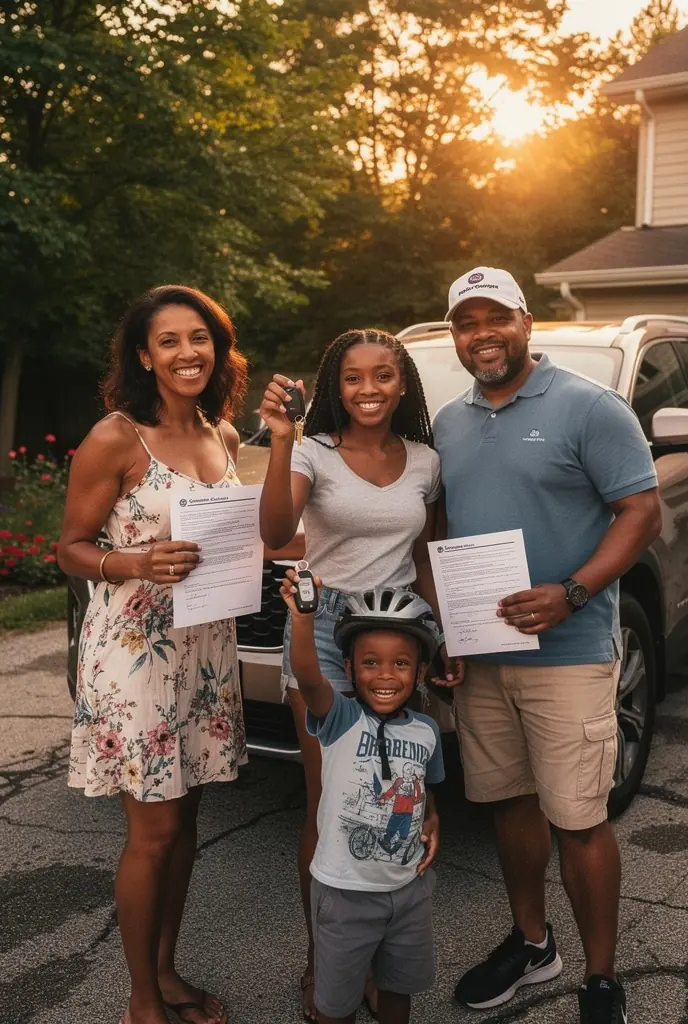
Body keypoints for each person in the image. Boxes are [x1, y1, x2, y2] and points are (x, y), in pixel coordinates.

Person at [60, 285, 299, 1024]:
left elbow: (248, 536)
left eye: (201, 338)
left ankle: (164, 972)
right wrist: (135, 563)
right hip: (136, 656)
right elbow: (69, 549)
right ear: (144, 356)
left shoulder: (222, 435)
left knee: (186, 821)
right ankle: (141, 1002)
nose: (188, 352)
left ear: (218, 350)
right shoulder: (116, 438)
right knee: (154, 831)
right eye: (169, 341)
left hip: (205, 649)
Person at [432, 267, 662, 1024]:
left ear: (526, 323)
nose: (482, 334)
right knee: (508, 804)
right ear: (456, 336)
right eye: (467, 322)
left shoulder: (589, 407)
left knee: (580, 818)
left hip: (569, 651)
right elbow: (441, 528)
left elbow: (641, 512)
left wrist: (572, 592)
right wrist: (448, 629)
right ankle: (533, 943)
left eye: (495, 317)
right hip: (482, 655)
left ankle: (601, 979)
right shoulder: (448, 423)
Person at [257, 329, 461, 1020]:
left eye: (382, 376)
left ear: (403, 385)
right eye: (352, 378)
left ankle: (378, 958)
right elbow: (275, 530)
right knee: (329, 798)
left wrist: (443, 635)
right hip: (324, 626)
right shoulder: (312, 451)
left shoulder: (427, 461)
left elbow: (426, 555)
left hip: (399, 633)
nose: (368, 389)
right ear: (334, 387)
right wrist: (280, 439)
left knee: (393, 783)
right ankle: (326, 962)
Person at [279, 575, 444, 1024]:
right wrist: (303, 619)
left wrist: (432, 817)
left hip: (408, 891)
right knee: (335, 1007)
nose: (385, 675)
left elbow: (427, 787)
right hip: (344, 895)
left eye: (401, 664)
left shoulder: (427, 731)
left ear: (420, 673)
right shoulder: (341, 717)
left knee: (398, 992)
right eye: (370, 663)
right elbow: (308, 676)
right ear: (349, 670)